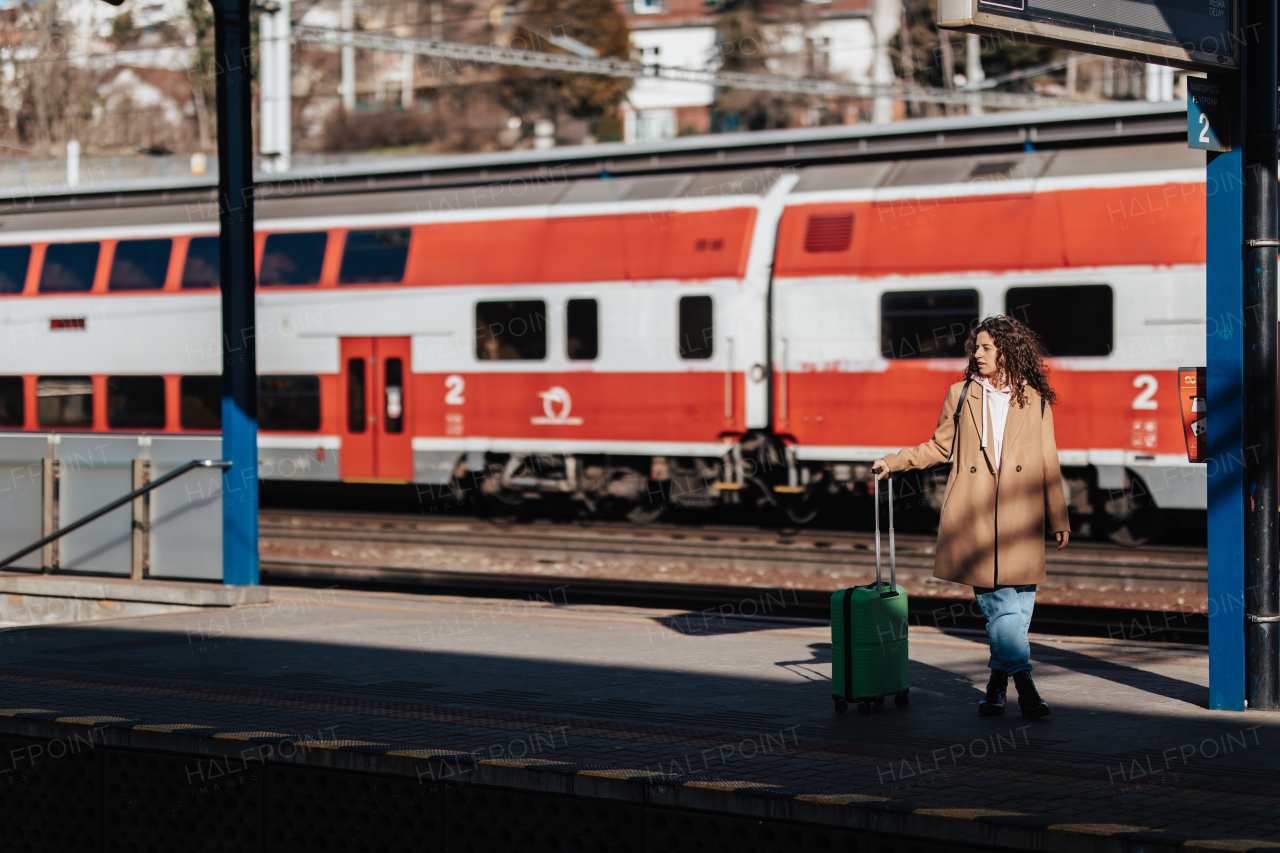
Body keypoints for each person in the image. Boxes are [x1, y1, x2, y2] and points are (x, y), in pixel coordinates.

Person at [871, 316, 1070, 719]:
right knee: (1003, 611)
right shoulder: (960, 395)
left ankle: (996, 687)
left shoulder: (1035, 400)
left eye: (985, 348)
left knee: (1019, 613)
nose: (976, 355)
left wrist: (1058, 516)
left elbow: (1049, 461)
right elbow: (939, 448)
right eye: (975, 348)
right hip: (974, 518)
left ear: (1007, 351)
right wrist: (895, 462)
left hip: (1021, 518)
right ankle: (1026, 686)